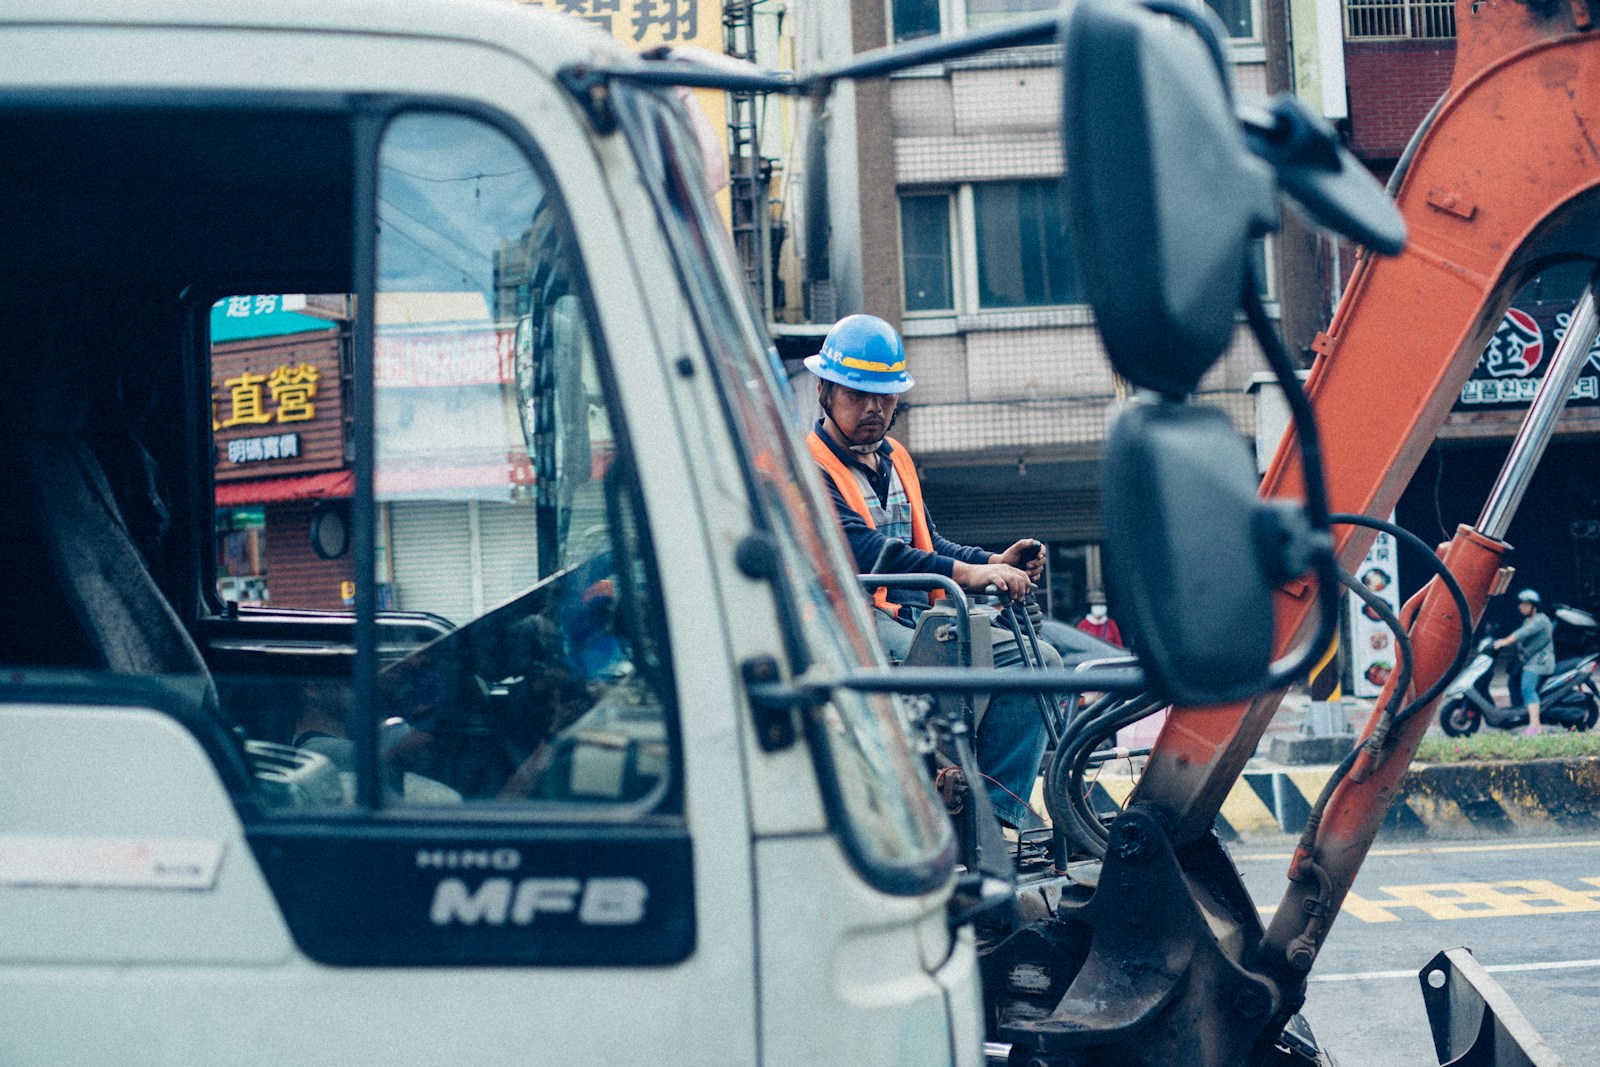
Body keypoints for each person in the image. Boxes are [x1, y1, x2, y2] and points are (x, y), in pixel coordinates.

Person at [803, 313, 1058, 829]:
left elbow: (924, 541)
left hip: (910, 618)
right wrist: (966, 576)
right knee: (947, 654)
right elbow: (868, 553)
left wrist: (992, 562)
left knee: (1042, 664)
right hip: (846, 624)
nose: (874, 408)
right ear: (825, 391)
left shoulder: (894, 458)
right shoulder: (805, 469)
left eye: (886, 395)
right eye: (858, 393)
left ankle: (992, 814)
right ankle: (934, 795)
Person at [1493, 588, 1555, 735]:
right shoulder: (1527, 620)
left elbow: (1521, 634)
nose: (1521, 607)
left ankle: (1535, 725)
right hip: (1528, 662)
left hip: (1539, 663)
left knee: (1527, 689)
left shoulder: (1541, 620)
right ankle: (1521, 715)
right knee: (1512, 682)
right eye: (1521, 604)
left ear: (1534, 607)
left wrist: (1503, 642)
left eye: (1526, 604)